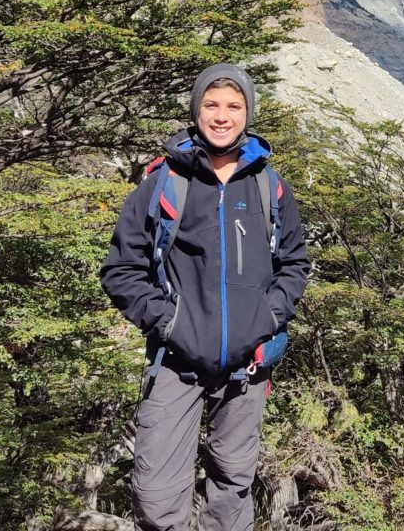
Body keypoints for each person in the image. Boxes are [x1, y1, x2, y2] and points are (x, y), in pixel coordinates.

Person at [100, 63, 309, 531]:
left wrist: (267, 316)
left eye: (233, 106)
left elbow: (293, 265)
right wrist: (169, 323)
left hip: (248, 363)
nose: (221, 116)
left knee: (232, 485)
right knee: (155, 492)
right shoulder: (163, 182)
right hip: (176, 357)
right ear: (195, 111)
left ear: (248, 113)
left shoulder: (269, 186)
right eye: (211, 105)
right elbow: (121, 269)